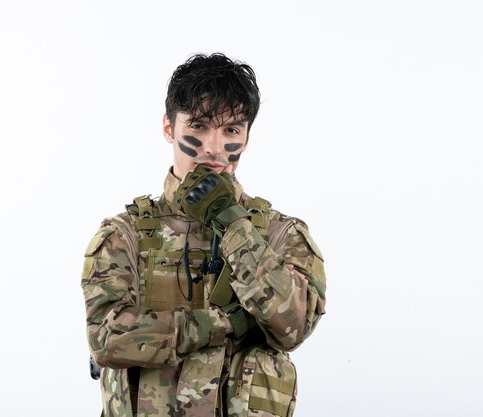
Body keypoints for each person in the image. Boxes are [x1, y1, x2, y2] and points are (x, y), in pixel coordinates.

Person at [81, 53, 327, 417]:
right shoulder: (125, 233)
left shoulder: (280, 233)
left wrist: (232, 223)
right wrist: (228, 323)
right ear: (169, 128)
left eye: (230, 130)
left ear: (246, 137)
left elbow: (292, 326)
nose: (213, 147)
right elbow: (105, 338)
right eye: (198, 126)